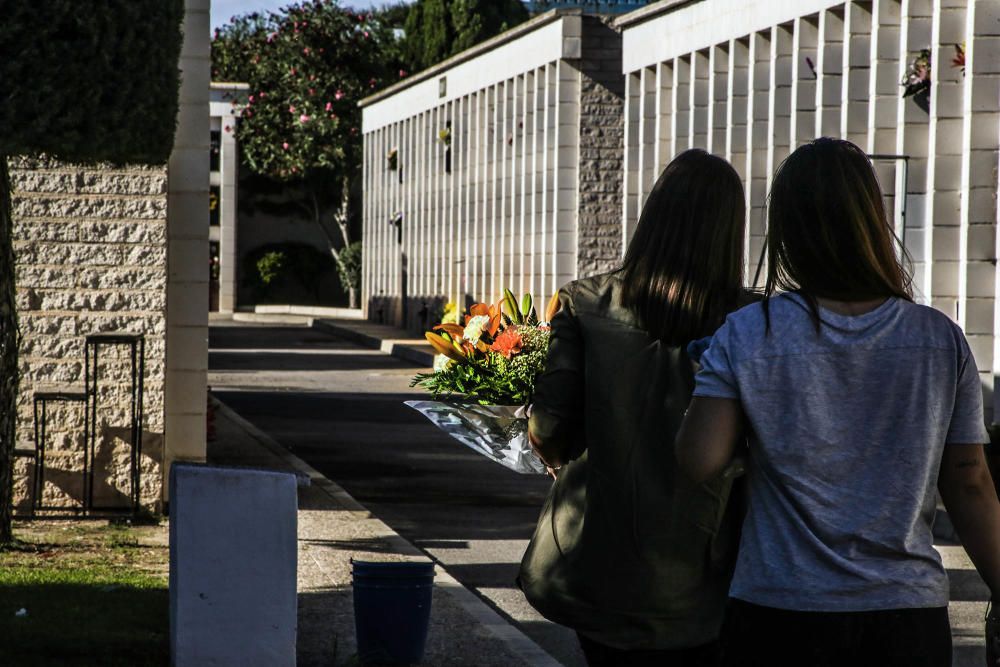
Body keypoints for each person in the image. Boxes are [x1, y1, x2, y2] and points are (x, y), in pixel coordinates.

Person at [675, 137, 1000, 667]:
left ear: (787, 231)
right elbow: (970, 481)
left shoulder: (748, 332)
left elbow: (699, 459)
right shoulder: (939, 339)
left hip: (777, 609)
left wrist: (708, 383)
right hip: (904, 615)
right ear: (873, 220)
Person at [519, 148, 749, 666]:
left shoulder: (584, 302)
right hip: (707, 575)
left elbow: (547, 424)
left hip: (598, 563)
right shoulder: (753, 321)